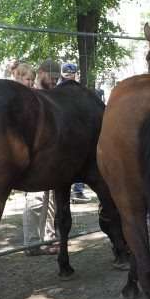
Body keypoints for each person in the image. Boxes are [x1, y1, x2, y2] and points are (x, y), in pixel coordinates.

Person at [20, 60, 60, 256]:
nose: (54, 81)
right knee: (35, 199)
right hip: (34, 156)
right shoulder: (30, 97)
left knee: (49, 199)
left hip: (49, 156)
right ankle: (32, 244)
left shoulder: (49, 96)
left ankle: (48, 238)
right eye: (51, 77)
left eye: (56, 78)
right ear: (42, 73)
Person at [58, 62, 91, 203]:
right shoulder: (59, 91)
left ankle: (78, 191)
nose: (70, 77)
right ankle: (76, 191)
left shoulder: (80, 91)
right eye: (68, 75)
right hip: (65, 134)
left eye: (72, 74)